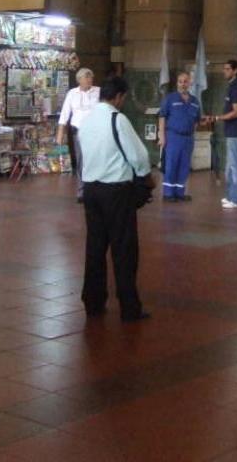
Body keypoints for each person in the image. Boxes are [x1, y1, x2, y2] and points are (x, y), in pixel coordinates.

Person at [78, 76, 153, 322]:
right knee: (124, 250)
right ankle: (129, 308)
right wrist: (145, 177)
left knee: (95, 248)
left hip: (91, 191)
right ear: (119, 96)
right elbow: (138, 155)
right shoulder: (117, 119)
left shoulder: (86, 121)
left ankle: (93, 301)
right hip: (116, 192)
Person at [56, 68, 100, 202]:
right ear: (79, 80)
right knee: (81, 161)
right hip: (78, 132)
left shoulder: (98, 91)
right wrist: (60, 134)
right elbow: (64, 114)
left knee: (94, 160)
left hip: (95, 132)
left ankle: (95, 190)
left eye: (90, 78)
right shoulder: (72, 94)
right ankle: (82, 191)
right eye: (86, 78)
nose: (89, 80)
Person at [158, 71, 201, 202]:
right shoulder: (170, 99)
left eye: (185, 81)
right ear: (177, 83)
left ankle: (179, 192)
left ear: (190, 83)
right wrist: (162, 136)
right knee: (171, 164)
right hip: (173, 137)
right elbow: (162, 117)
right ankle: (168, 193)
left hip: (188, 138)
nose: (183, 84)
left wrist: (191, 133)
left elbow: (197, 120)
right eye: (180, 81)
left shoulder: (195, 101)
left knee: (184, 165)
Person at [213, 60, 237, 209]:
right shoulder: (232, 87)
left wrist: (218, 118)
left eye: (227, 69)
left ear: (235, 71)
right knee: (230, 167)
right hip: (231, 132)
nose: (224, 71)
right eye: (224, 69)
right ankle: (230, 196)